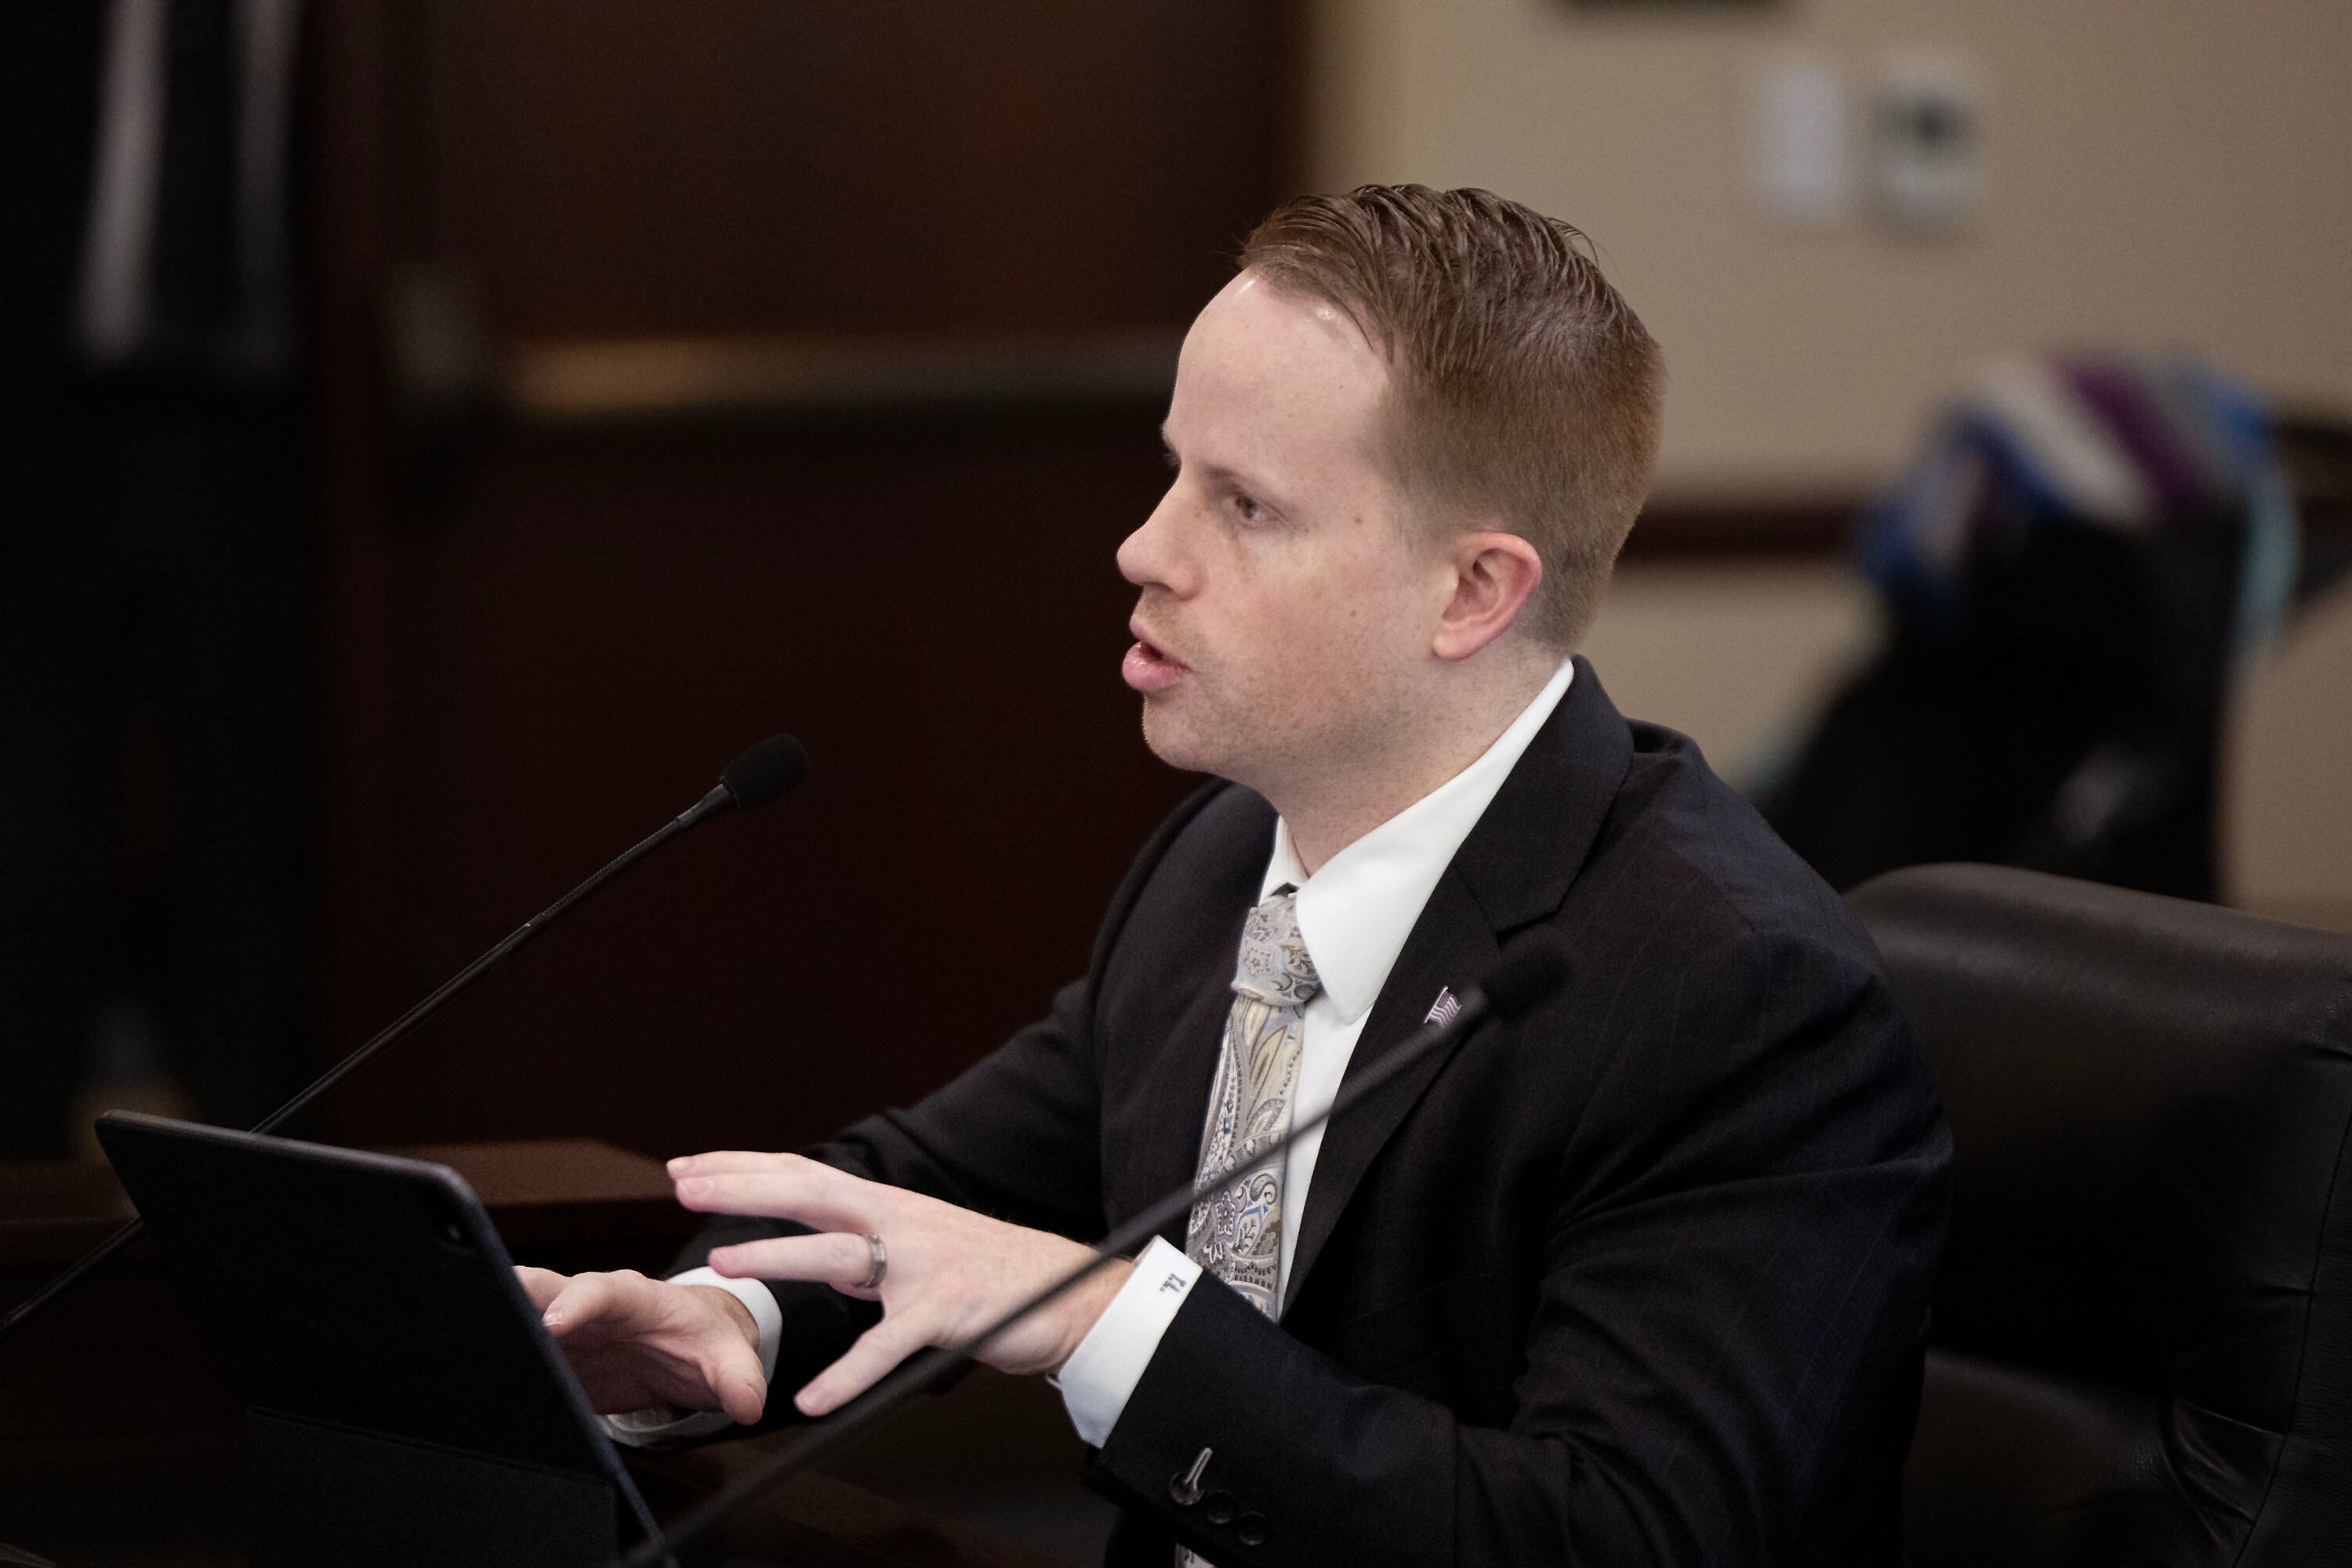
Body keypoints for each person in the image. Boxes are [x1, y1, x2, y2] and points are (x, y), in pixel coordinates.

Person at [519, 185, 1951, 1566]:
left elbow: (1618, 1536)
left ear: (1473, 592)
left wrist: (1099, 1321)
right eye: (1173, 472)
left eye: (1246, 506)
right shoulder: (1223, 860)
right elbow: (942, 1191)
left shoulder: (1736, 994)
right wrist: (723, 1322)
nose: (1144, 548)